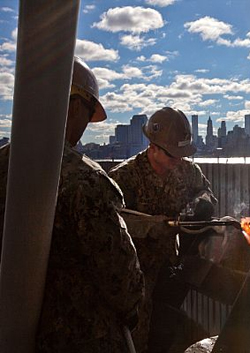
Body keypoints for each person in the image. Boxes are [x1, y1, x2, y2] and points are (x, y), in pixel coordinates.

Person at [0, 56, 144, 352]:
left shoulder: (4, 165)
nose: (85, 128)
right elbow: (121, 280)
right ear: (76, 107)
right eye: (89, 114)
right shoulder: (85, 180)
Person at [109, 107, 217, 352]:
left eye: (182, 154)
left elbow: (206, 193)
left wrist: (201, 204)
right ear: (153, 148)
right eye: (172, 155)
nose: (178, 161)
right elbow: (109, 221)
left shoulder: (188, 171)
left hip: (172, 271)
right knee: (138, 339)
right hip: (137, 277)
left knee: (167, 335)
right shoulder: (123, 178)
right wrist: (149, 226)